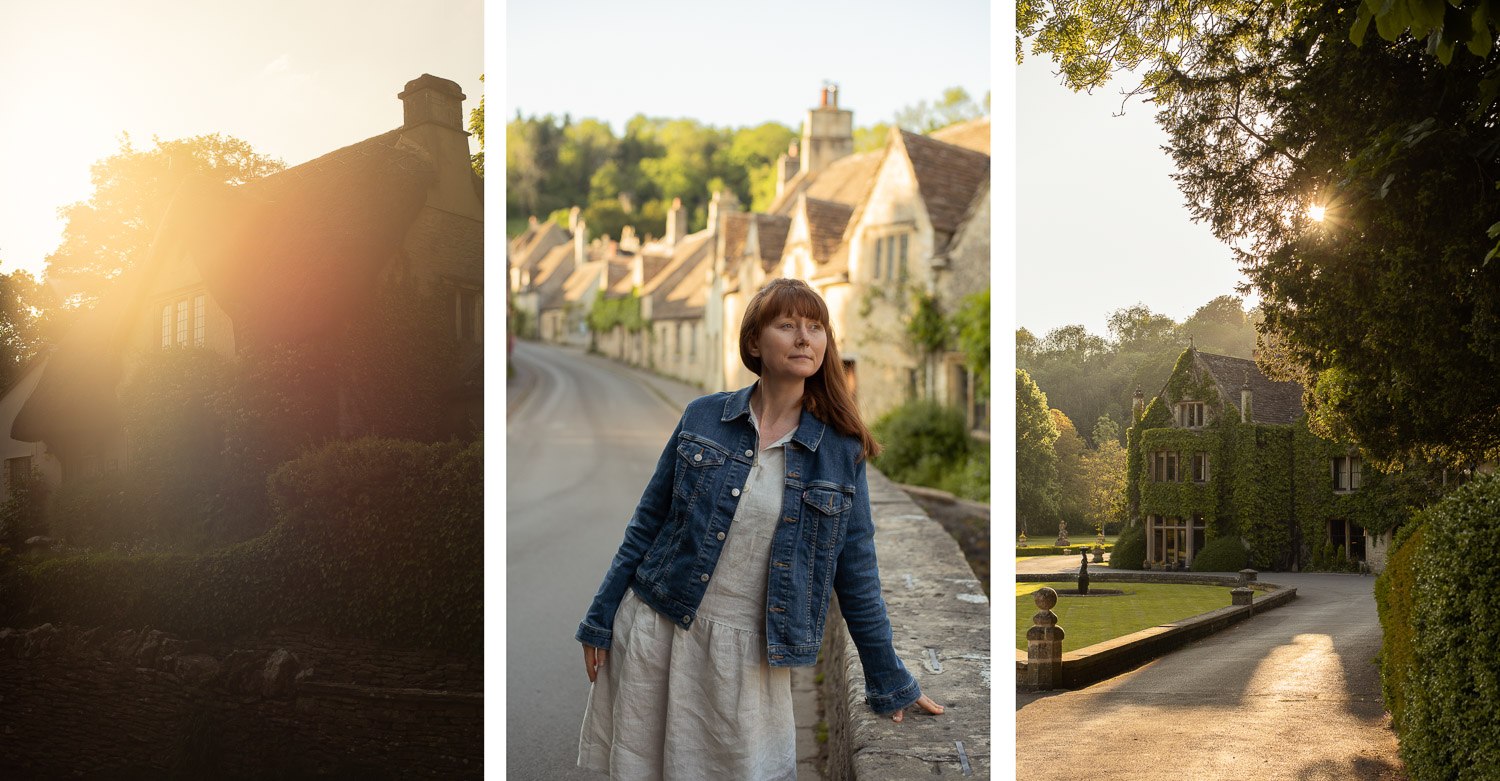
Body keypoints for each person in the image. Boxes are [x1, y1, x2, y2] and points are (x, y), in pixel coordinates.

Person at [575, 278, 943, 780]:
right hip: (656, 631)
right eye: (787, 325)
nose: (803, 338)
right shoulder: (702, 417)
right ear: (754, 342)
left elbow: (855, 571)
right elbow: (646, 525)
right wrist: (599, 617)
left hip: (748, 660)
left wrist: (887, 676)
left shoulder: (841, 450)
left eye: (816, 328)